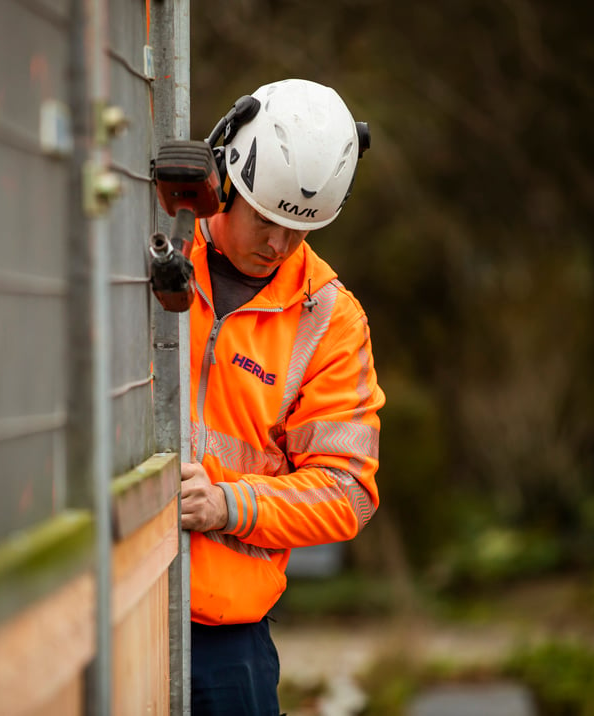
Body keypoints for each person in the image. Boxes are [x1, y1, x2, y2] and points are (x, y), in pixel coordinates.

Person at [179, 79, 385, 715]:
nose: (278, 245)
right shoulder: (154, 249)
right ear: (229, 182)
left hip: (226, 639)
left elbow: (348, 492)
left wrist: (229, 505)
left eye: (299, 231)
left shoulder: (331, 318)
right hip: (109, 596)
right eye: (266, 221)